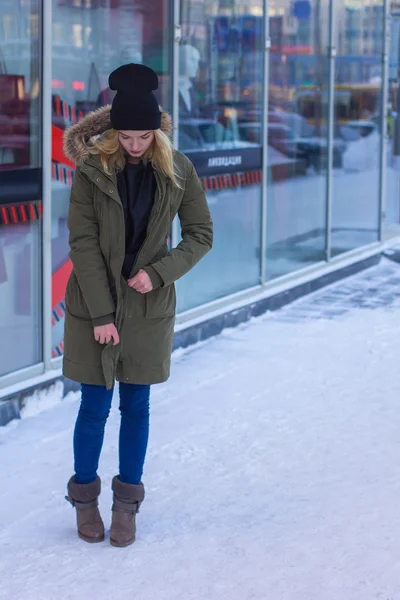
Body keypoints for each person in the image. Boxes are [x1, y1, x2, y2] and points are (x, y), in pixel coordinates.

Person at [62, 63, 213, 547]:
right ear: (113, 132)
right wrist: (102, 315)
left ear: (156, 131)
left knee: (137, 404)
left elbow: (201, 234)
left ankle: (126, 507)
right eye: (125, 135)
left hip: (149, 306)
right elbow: (82, 244)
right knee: (93, 405)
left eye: (143, 135)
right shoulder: (92, 170)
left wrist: (160, 271)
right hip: (94, 304)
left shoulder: (178, 169)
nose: (133, 144)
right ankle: (85, 503)